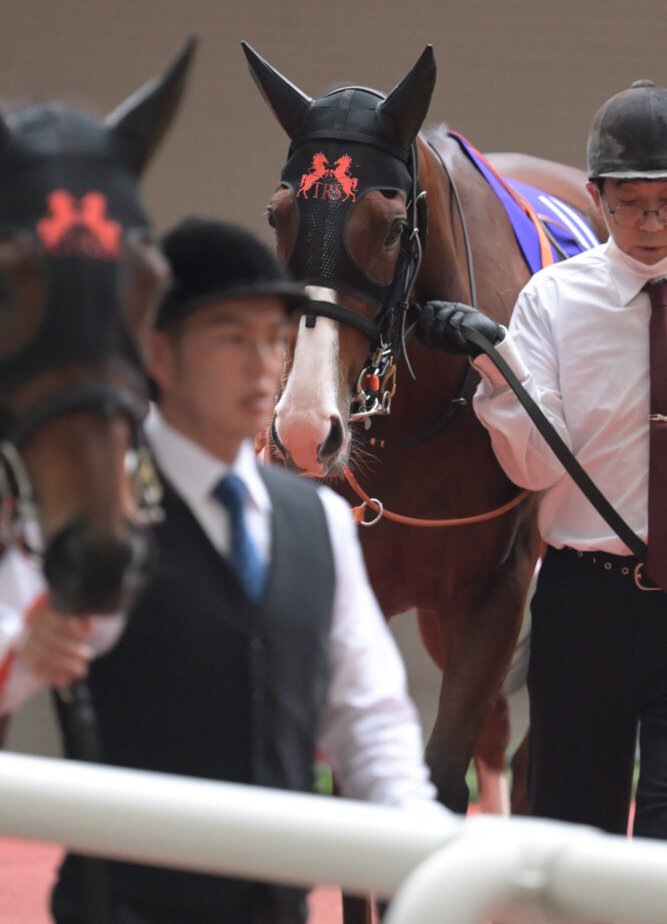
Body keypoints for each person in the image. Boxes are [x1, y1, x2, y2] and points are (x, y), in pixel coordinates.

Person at [0, 217, 450, 924]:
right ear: (158, 352)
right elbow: (11, 642)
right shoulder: (96, 510)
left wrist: (435, 864)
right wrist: (26, 651)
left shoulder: (320, 523)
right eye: (231, 337)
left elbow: (368, 719)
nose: (262, 364)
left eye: (275, 338)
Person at [416, 79, 667, 840]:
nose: (650, 223)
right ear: (595, 198)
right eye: (630, 203)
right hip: (583, 601)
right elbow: (532, 471)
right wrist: (500, 369)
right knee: (567, 827)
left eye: (666, 201)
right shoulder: (553, 300)